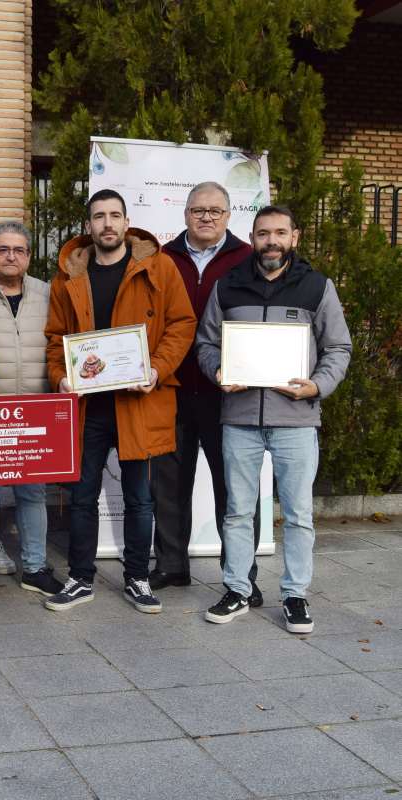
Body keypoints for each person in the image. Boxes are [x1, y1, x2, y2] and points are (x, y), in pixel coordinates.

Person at [196, 205, 351, 633]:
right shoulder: (228, 286)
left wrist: (317, 386)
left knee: (299, 513)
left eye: (280, 233)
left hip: (297, 418)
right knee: (238, 511)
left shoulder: (316, 287)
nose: (271, 241)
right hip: (240, 416)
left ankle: (295, 594)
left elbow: (338, 348)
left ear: (294, 237)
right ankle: (238, 589)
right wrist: (218, 371)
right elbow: (206, 342)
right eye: (263, 233)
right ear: (253, 236)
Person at [43, 189, 196, 614]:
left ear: (127, 222)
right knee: (82, 495)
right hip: (89, 406)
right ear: (88, 226)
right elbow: (56, 339)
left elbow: (182, 324)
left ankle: (137, 578)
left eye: (114, 215)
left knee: (140, 499)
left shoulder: (158, 267)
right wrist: (60, 378)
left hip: (138, 401)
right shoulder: (68, 275)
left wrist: (157, 369)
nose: (107, 224)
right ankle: (79, 578)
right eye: (98, 216)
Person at [150, 182, 258, 597]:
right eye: (198, 210)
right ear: (185, 215)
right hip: (172, 389)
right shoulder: (164, 259)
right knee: (169, 484)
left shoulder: (247, 259)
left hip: (228, 394)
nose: (206, 217)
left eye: (215, 210)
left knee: (233, 489)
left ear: (230, 216)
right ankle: (172, 565)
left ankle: (240, 576)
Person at [0, 221, 65, 601]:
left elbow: (60, 343)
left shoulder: (47, 293)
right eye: (2, 249)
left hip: (37, 408)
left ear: (28, 256)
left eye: (19, 250)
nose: (11, 256)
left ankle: (35, 568)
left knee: (33, 493)